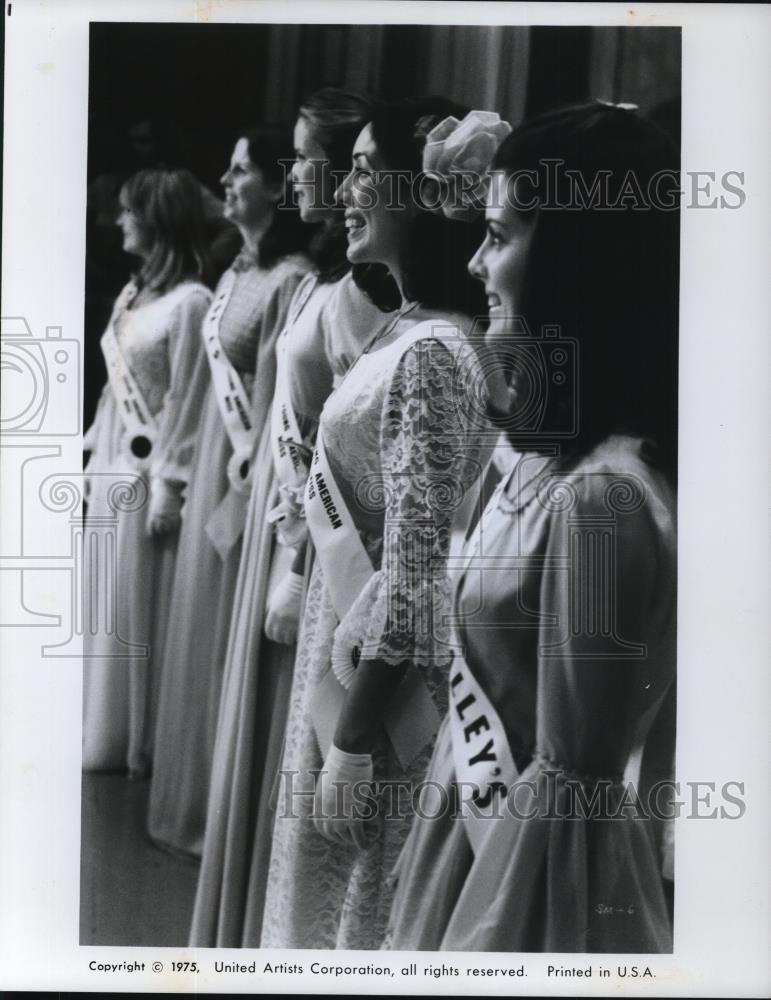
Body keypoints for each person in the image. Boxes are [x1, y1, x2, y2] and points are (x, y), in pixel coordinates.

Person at [385, 101, 679, 953]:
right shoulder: (534, 460)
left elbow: (571, 811)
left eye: (500, 235)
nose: (476, 262)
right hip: (465, 844)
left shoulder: (602, 503)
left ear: (576, 262)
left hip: (515, 898)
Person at [259, 98, 511, 950]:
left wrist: (356, 742)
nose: (347, 188)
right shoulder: (407, 332)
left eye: (367, 170)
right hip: (349, 664)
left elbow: (415, 575)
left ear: (424, 193)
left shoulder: (436, 352)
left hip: (383, 702)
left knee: (349, 917)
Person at [189, 89, 390, 946]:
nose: (299, 173)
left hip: (311, 561)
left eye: (308, 157)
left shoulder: (355, 297)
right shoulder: (325, 282)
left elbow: (343, 454)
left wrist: (296, 563)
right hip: (284, 543)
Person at [146, 127, 311, 856]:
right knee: (195, 635)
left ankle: (221, 817)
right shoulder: (231, 273)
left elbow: (282, 404)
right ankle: (185, 802)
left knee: (226, 643)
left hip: (245, 475)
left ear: (279, 187)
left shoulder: (293, 278)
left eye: (241, 168)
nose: (227, 176)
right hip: (212, 462)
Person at [82, 168, 214, 776]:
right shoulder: (133, 295)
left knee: (134, 611)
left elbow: (185, 399)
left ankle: (132, 740)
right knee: (101, 598)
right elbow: (117, 393)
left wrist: (169, 486)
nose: (118, 222)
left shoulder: (192, 302)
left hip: (148, 478)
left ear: (156, 221)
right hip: (112, 466)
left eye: (129, 211)